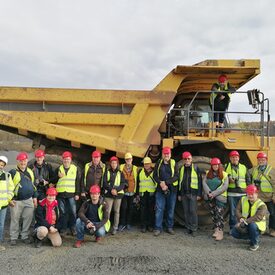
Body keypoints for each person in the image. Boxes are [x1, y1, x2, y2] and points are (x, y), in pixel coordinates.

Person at [9, 152, 37, 245]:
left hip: (29, 200)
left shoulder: (30, 171)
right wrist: (10, 199)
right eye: (21, 160)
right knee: (15, 219)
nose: (23, 162)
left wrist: (35, 197)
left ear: (27, 161)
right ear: (17, 161)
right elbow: (8, 186)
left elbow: (33, 185)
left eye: (24, 160)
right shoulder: (12, 172)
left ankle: (24, 236)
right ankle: (13, 237)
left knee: (27, 219)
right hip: (16, 200)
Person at [231, 184, 267, 251]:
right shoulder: (243, 199)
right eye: (248, 194)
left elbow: (258, 217)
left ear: (256, 194)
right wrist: (240, 217)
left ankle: (255, 243)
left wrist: (244, 222)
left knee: (252, 225)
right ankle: (252, 237)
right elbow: (237, 210)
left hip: (257, 226)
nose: (250, 196)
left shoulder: (262, 205)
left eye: (252, 194)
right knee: (233, 232)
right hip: (246, 223)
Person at [153, 147, 179, 236]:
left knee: (170, 209)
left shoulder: (173, 163)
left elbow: (176, 176)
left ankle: (169, 227)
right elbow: (155, 175)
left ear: (170, 154)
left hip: (171, 190)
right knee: (159, 209)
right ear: (163, 154)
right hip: (160, 190)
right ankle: (157, 228)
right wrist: (161, 183)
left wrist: (166, 183)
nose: (166, 155)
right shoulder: (159, 163)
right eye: (165, 154)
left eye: (168, 154)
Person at [54, 151, 81, 236]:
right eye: (65, 159)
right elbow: (53, 181)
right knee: (63, 212)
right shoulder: (58, 169)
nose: (66, 161)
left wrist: (77, 193)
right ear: (62, 160)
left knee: (73, 212)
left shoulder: (75, 168)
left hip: (71, 194)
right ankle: (64, 228)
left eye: (68, 159)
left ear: (70, 160)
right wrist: (57, 176)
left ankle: (73, 227)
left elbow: (78, 182)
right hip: (60, 194)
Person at [249, 152, 275, 237]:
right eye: (259, 160)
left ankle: (272, 229)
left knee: (273, 213)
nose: (261, 161)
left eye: (263, 160)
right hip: (258, 197)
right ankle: (259, 229)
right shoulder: (254, 170)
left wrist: (274, 196)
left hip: (269, 197)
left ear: (266, 160)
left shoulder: (271, 171)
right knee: (258, 214)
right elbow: (247, 174)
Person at [203, 157, 228, 241]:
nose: (215, 166)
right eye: (214, 165)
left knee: (219, 214)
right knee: (213, 213)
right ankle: (216, 229)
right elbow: (204, 183)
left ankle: (220, 231)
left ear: (219, 165)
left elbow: (225, 187)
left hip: (219, 198)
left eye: (217, 165)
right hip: (210, 198)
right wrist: (209, 192)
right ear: (211, 166)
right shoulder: (207, 173)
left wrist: (214, 193)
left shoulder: (224, 174)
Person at [225, 150, 250, 233]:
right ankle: (233, 229)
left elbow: (248, 180)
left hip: (242, 194)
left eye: (236, 157)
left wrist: (249, 192)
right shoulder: (226, 167)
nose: (234, 158)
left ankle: (242, 228)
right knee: (232, 213)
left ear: (238, 158)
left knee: (243, 213)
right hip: (231, 194)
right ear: (230, 158)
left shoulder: (244, 167)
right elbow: (221, 176)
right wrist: (228, 178)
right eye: (232, 157)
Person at [178, 152, 202, 236]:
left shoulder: (195, 168)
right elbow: (180, 182)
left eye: (189, 159)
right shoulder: (181, 169)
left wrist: (199, 194)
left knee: (193, 211)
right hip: (184, 194)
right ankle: (188, 228)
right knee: (186, 211)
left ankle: (194, 228)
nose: (187, 160)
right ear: (183, 160)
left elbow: (199, 182)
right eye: (185, 159)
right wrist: (180, 194)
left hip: (193, 194)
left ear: (191, 159)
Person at [102, 156, 125, 235]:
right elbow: (104, 183)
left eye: (115, 163)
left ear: (117, 164)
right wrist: (111, 190)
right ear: (110, 164)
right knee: (107, 212)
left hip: (118, 195)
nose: (114, 164)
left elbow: (123, 183)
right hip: (109, 194)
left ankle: (115, 228)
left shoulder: (121, 173)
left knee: (116, 211)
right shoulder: (107, 172)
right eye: (112, 163)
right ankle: (106, 227)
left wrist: (116, 190)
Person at [136, 157, 156, 233]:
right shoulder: (140, 172)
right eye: (145, 164)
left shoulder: (154, 172)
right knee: (143, 210)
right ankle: (143, 226)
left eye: (148, 164)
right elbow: (138, 183)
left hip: (151, 194)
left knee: (151, 210)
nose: (146, 165)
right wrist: (137, 194)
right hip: (143, 193)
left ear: (150, 164)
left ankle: (150, 225)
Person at [119, 152, 138, 231]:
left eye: (129, 159)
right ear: (125, 160)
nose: (128, 160)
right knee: (123, 208)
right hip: (123, 191)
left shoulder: (135, 168)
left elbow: (137, 180)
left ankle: (129, 223)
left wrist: (137, 193)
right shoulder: (121, 167)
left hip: (132, 191)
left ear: (132, 159)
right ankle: (122, 223)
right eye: (127, 159)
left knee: (131, 208)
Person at [0, 156, 14, 251]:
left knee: (1, 225)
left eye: (2, 165)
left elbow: (11, 189)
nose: (0, 166)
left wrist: (8, 198)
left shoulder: (7, 175)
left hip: (4, 205)